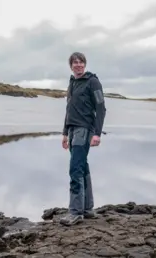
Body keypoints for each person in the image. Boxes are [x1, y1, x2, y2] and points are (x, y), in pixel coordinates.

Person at [60, 52, 106, 226]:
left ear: (85, 64)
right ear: (70, 65)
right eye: (75, 62)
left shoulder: (92, 81)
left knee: (75, 169)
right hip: (72, 130)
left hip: (84, 130)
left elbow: (101, 108)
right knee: (82, 167)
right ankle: (87, 209)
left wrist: (97, 133)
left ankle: (75, 212)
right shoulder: (72, 83)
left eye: (81, 62)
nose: (78, 65)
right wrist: (64, 134)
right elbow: (68, 110)